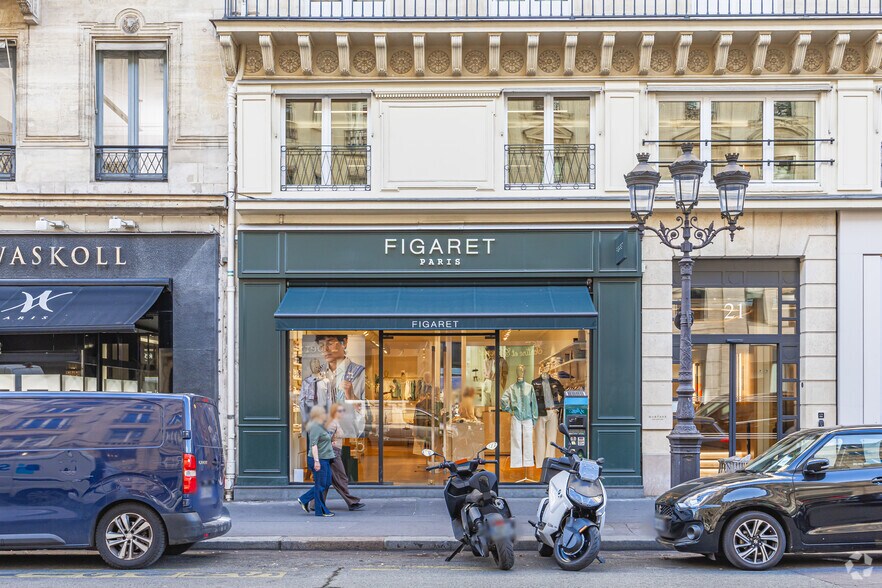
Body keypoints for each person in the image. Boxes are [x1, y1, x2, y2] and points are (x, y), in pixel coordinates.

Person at [316, 334, 366, 437]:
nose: (325, 349)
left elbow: (368, 414)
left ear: (344, 343)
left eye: (330, 343)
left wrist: (352, 397)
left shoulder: (360, 374)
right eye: (321, 345)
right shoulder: (316, 375)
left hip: (349, 438)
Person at [324, 403, 365, 511]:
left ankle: (313, 503)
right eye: (340, 411)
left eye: (343, 411)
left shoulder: (336, 422)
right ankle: (351, 502)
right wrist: (330, 443)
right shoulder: (332, 423)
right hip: (333, 453)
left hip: (335, 452)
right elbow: (325, 439)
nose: (342, 413)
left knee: (327, 480)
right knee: (342, 478)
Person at [297, 406, 335, 517]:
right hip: (319, 459)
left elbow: (322, 441)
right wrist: (316, 461)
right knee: (321, 485)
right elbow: (313, 445)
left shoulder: (321, 426)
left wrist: (329, 443)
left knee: (326, 483)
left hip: (325, 459)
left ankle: (304, 499)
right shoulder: (315, 427)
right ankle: (320, 511)